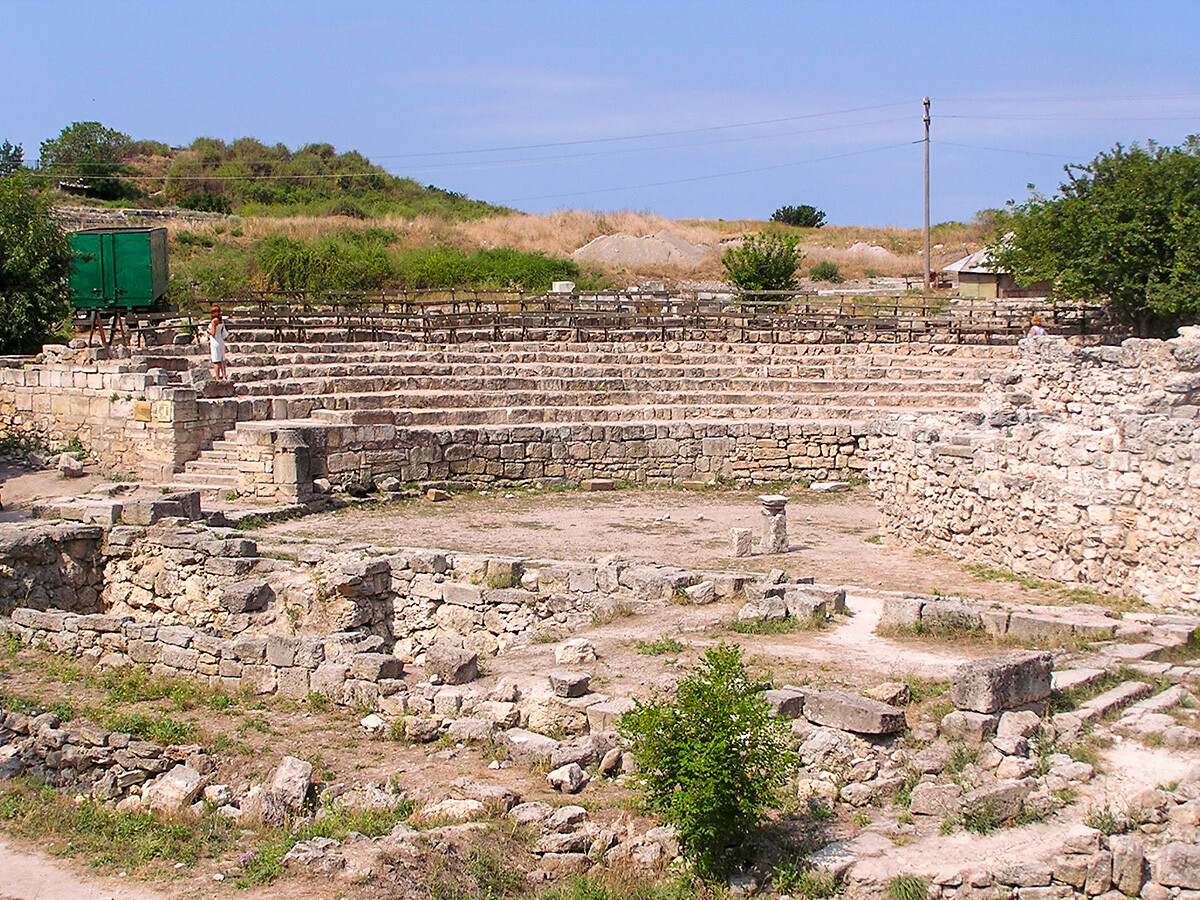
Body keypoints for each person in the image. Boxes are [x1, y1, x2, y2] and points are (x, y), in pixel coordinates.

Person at [207, 305, 230, 380]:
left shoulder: (214, 321)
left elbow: (213, 333)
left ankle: (217, 377)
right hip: (221, 340)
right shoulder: (221, 320)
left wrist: (208, 331)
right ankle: (224, 376)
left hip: (215, 341)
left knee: (216, 360)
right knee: (222, 359)